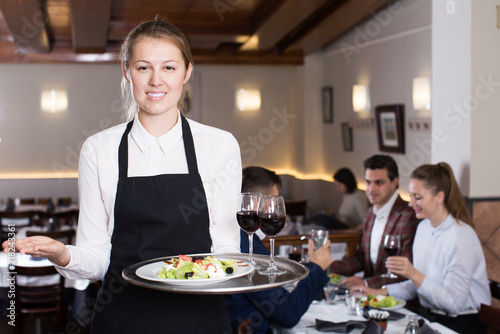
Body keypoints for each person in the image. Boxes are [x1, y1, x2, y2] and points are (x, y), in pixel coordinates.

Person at [2, 19, 242, 333]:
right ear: (127, 72)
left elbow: (226, 250)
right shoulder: (98, 149)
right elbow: (98, 258)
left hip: (199, 319)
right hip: (123, 317)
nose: (156, 81)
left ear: (187, 72)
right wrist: (62, 254)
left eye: (169, 68)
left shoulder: (220, 145)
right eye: (144, 68)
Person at [358, 162, 490, 334]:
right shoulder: (424, 228)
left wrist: (413, 273)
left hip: (460, 324)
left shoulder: (460, 237)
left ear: (439, 197)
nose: (411, 203)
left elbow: (454, 305)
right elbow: (418, 285)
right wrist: (375, 292)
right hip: (430, 318)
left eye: (417, 197)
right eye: (410, 196)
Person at [225, 166, 334, 333]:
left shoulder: (237, 236)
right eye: (273, 202)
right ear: (257, 203)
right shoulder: (245, 246)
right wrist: (317, 267)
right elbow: (288, 313)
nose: (275, 210)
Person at [329, 155, 420, 289]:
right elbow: (361, 258)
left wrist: (366, 283)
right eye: (368, 182)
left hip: (394, 298)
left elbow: (404, 272)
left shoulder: (408, 216)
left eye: (379, 183)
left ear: (394, 182)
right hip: (368, 294)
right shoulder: (370, 213)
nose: (371, 189)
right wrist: (327, 266)